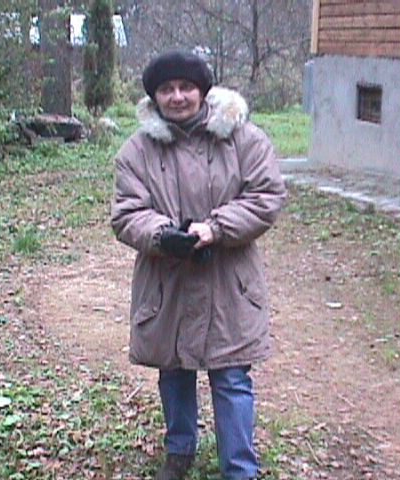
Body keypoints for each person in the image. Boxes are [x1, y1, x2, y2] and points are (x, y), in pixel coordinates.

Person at [111, 49, 286, 480]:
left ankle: (240, 468)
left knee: (231, 377)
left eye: (186, 87)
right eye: (167, 89)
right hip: (166, 280)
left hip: (229, 281)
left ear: (202, 91)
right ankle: (179, 452)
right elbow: (126, 213)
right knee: (173, 371)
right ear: (154, 97)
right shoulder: (136, 151)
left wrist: (216, 228)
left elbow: (266, 197)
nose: (177, 97)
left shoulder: (245, 139)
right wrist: (163, 235)